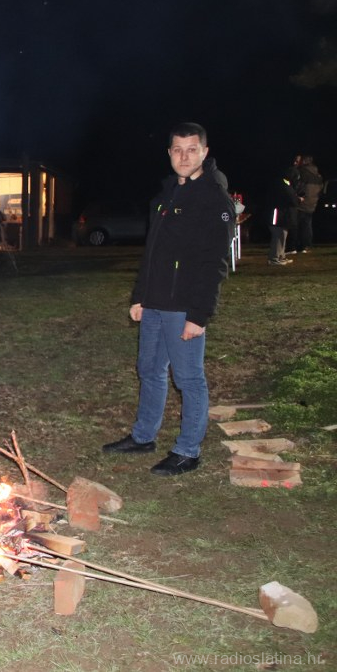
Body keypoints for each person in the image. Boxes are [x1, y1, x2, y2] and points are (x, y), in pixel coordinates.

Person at [102, 123, 233, 476]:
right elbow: (152, 253)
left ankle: (188, 451)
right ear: (169, 153)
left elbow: (215, 264)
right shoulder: (167, 194)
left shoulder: (214, 199)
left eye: (192, 149)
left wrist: (199, 315)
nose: (184, 156)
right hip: (155, 303)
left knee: (188, 379)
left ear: (205, 152)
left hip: (184, 307)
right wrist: (140, 296)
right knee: (149, 370)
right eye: (177, 149)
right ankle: (143, 436)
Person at [268, 156, 301, 266]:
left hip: (283, 216)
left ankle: (281, 256)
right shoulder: (283, 186)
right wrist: (298, 199)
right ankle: (274, 258)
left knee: (283, 236)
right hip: (279, 216)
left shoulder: (284, 184)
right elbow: (292, 199)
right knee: (278, 237)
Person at [292, 155, 323, 254]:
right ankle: (306, 245)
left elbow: (298, 187)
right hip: (312, 203)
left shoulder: (302, 172)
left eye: (298, 161)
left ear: (304, 161)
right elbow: (320, 189)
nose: (295, 163)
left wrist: (295, 196)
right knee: (307, 225)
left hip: (301, 203)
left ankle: (295, 246)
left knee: (296, 225)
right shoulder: (317, 175)